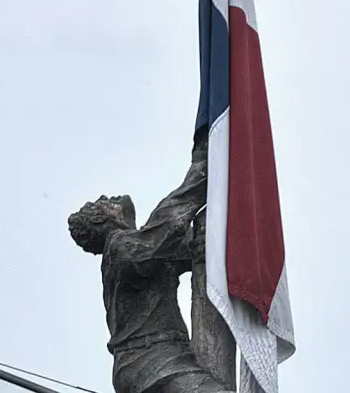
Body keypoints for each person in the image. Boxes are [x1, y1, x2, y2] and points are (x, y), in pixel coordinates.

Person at [68, 138, 231, 393]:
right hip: (150, 361)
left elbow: (179, 247)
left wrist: (202, 244)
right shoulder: (120, 247)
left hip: (159, 358)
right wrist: (202, 167)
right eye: (100, 202)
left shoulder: (138, 250)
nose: (105, 196)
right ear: (101, 221)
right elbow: (170, 224)